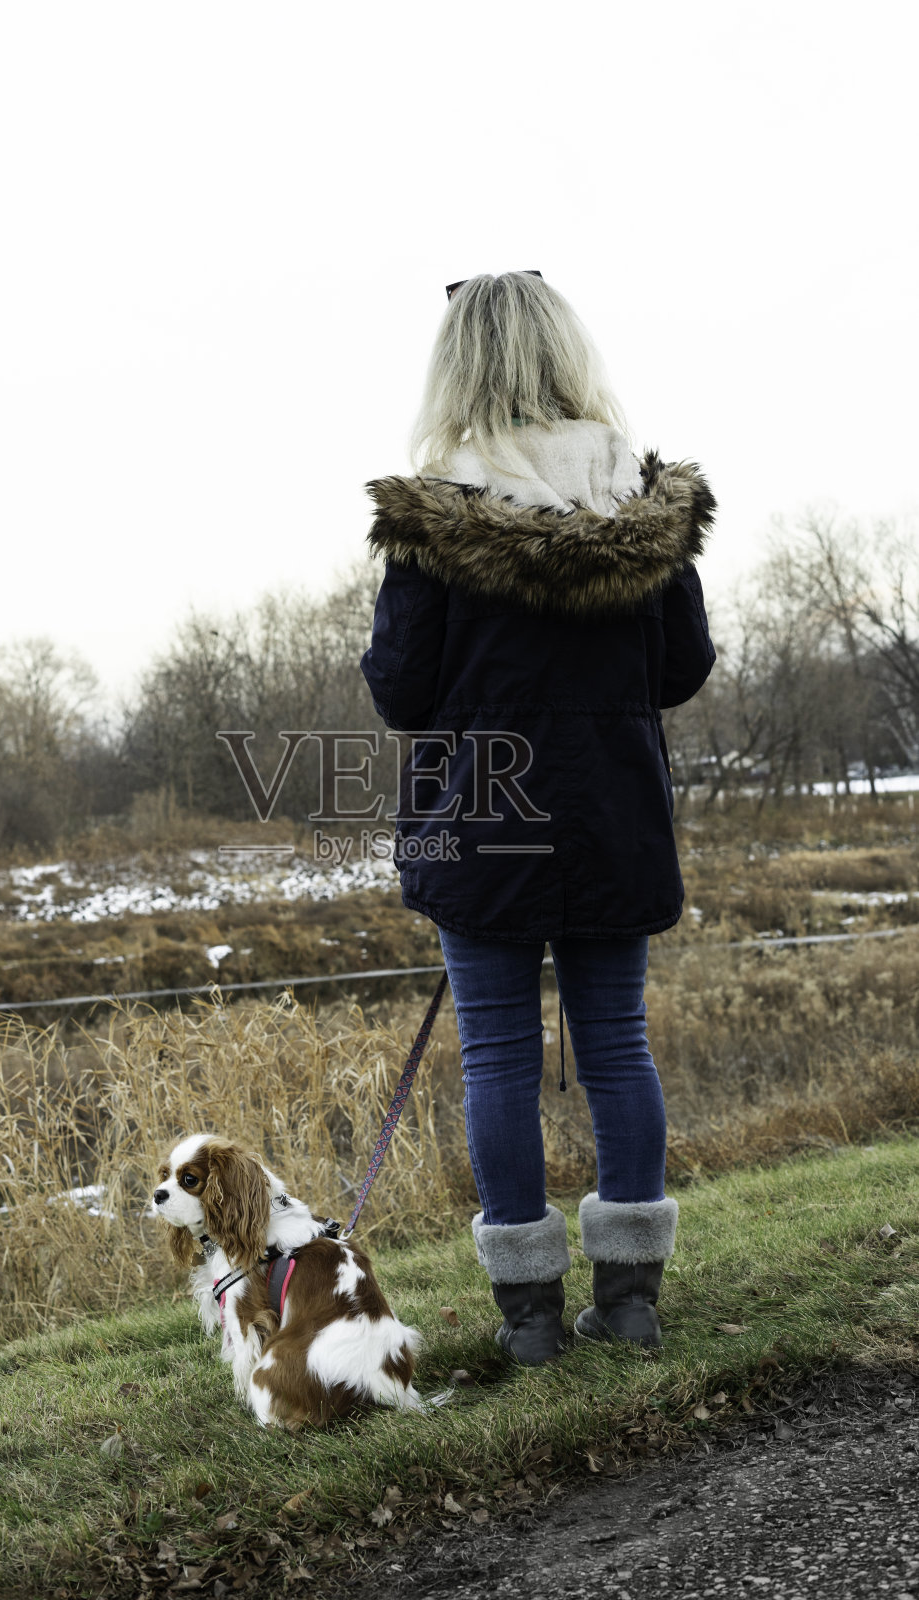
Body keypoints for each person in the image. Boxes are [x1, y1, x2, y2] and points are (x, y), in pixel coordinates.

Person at [360, 271, 716, 1364]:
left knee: (499, 1061)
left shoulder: (433, 520)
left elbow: (399, 694)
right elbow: (680, 668)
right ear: (566, 354)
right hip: (611, 815)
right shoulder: (638, 503)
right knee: (616, 1047)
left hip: (481, 824)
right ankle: (631, 1299)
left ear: (459, 367)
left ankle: (528, 1321)